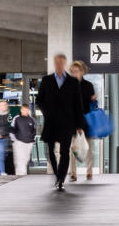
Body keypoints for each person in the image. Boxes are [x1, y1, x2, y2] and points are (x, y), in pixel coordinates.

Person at [36, 53, 84, 193]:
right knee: (50, 151)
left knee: (65, 152)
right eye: (56, 62)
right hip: (51, 122)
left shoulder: (73, 82)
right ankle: (57, 175)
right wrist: (46, 111)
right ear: (54, 63)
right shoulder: (46, 80)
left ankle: (61, 179)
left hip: (67, 123)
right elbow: (39, 100)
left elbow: (78, 104)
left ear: (64, 64)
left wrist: (79, 124)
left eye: (61, 62)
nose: (58, 65)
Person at [70, 61, 101, 181]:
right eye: (72, 71)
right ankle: (73, 173)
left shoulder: (88, 85)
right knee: (73, 149)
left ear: (82, 72)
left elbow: (88, 106)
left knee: (88, 148)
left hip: (86, 121)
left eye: (76, 71)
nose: (74, 74)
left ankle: (89, 172)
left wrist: (92, 99)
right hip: (72, 121)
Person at [10, 103, 38, 176]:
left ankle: (20, 173)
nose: (25, 111)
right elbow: (12, 130)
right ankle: (21, 174)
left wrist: (33, 140)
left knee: (26, 158)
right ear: (21, 110)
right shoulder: (16, 118)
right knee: (20, 158)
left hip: (29, 142)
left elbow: (34, 131)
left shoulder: (31, 119)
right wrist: (14, 140)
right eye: (24, 110)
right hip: (18, 141)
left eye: (27, 110)